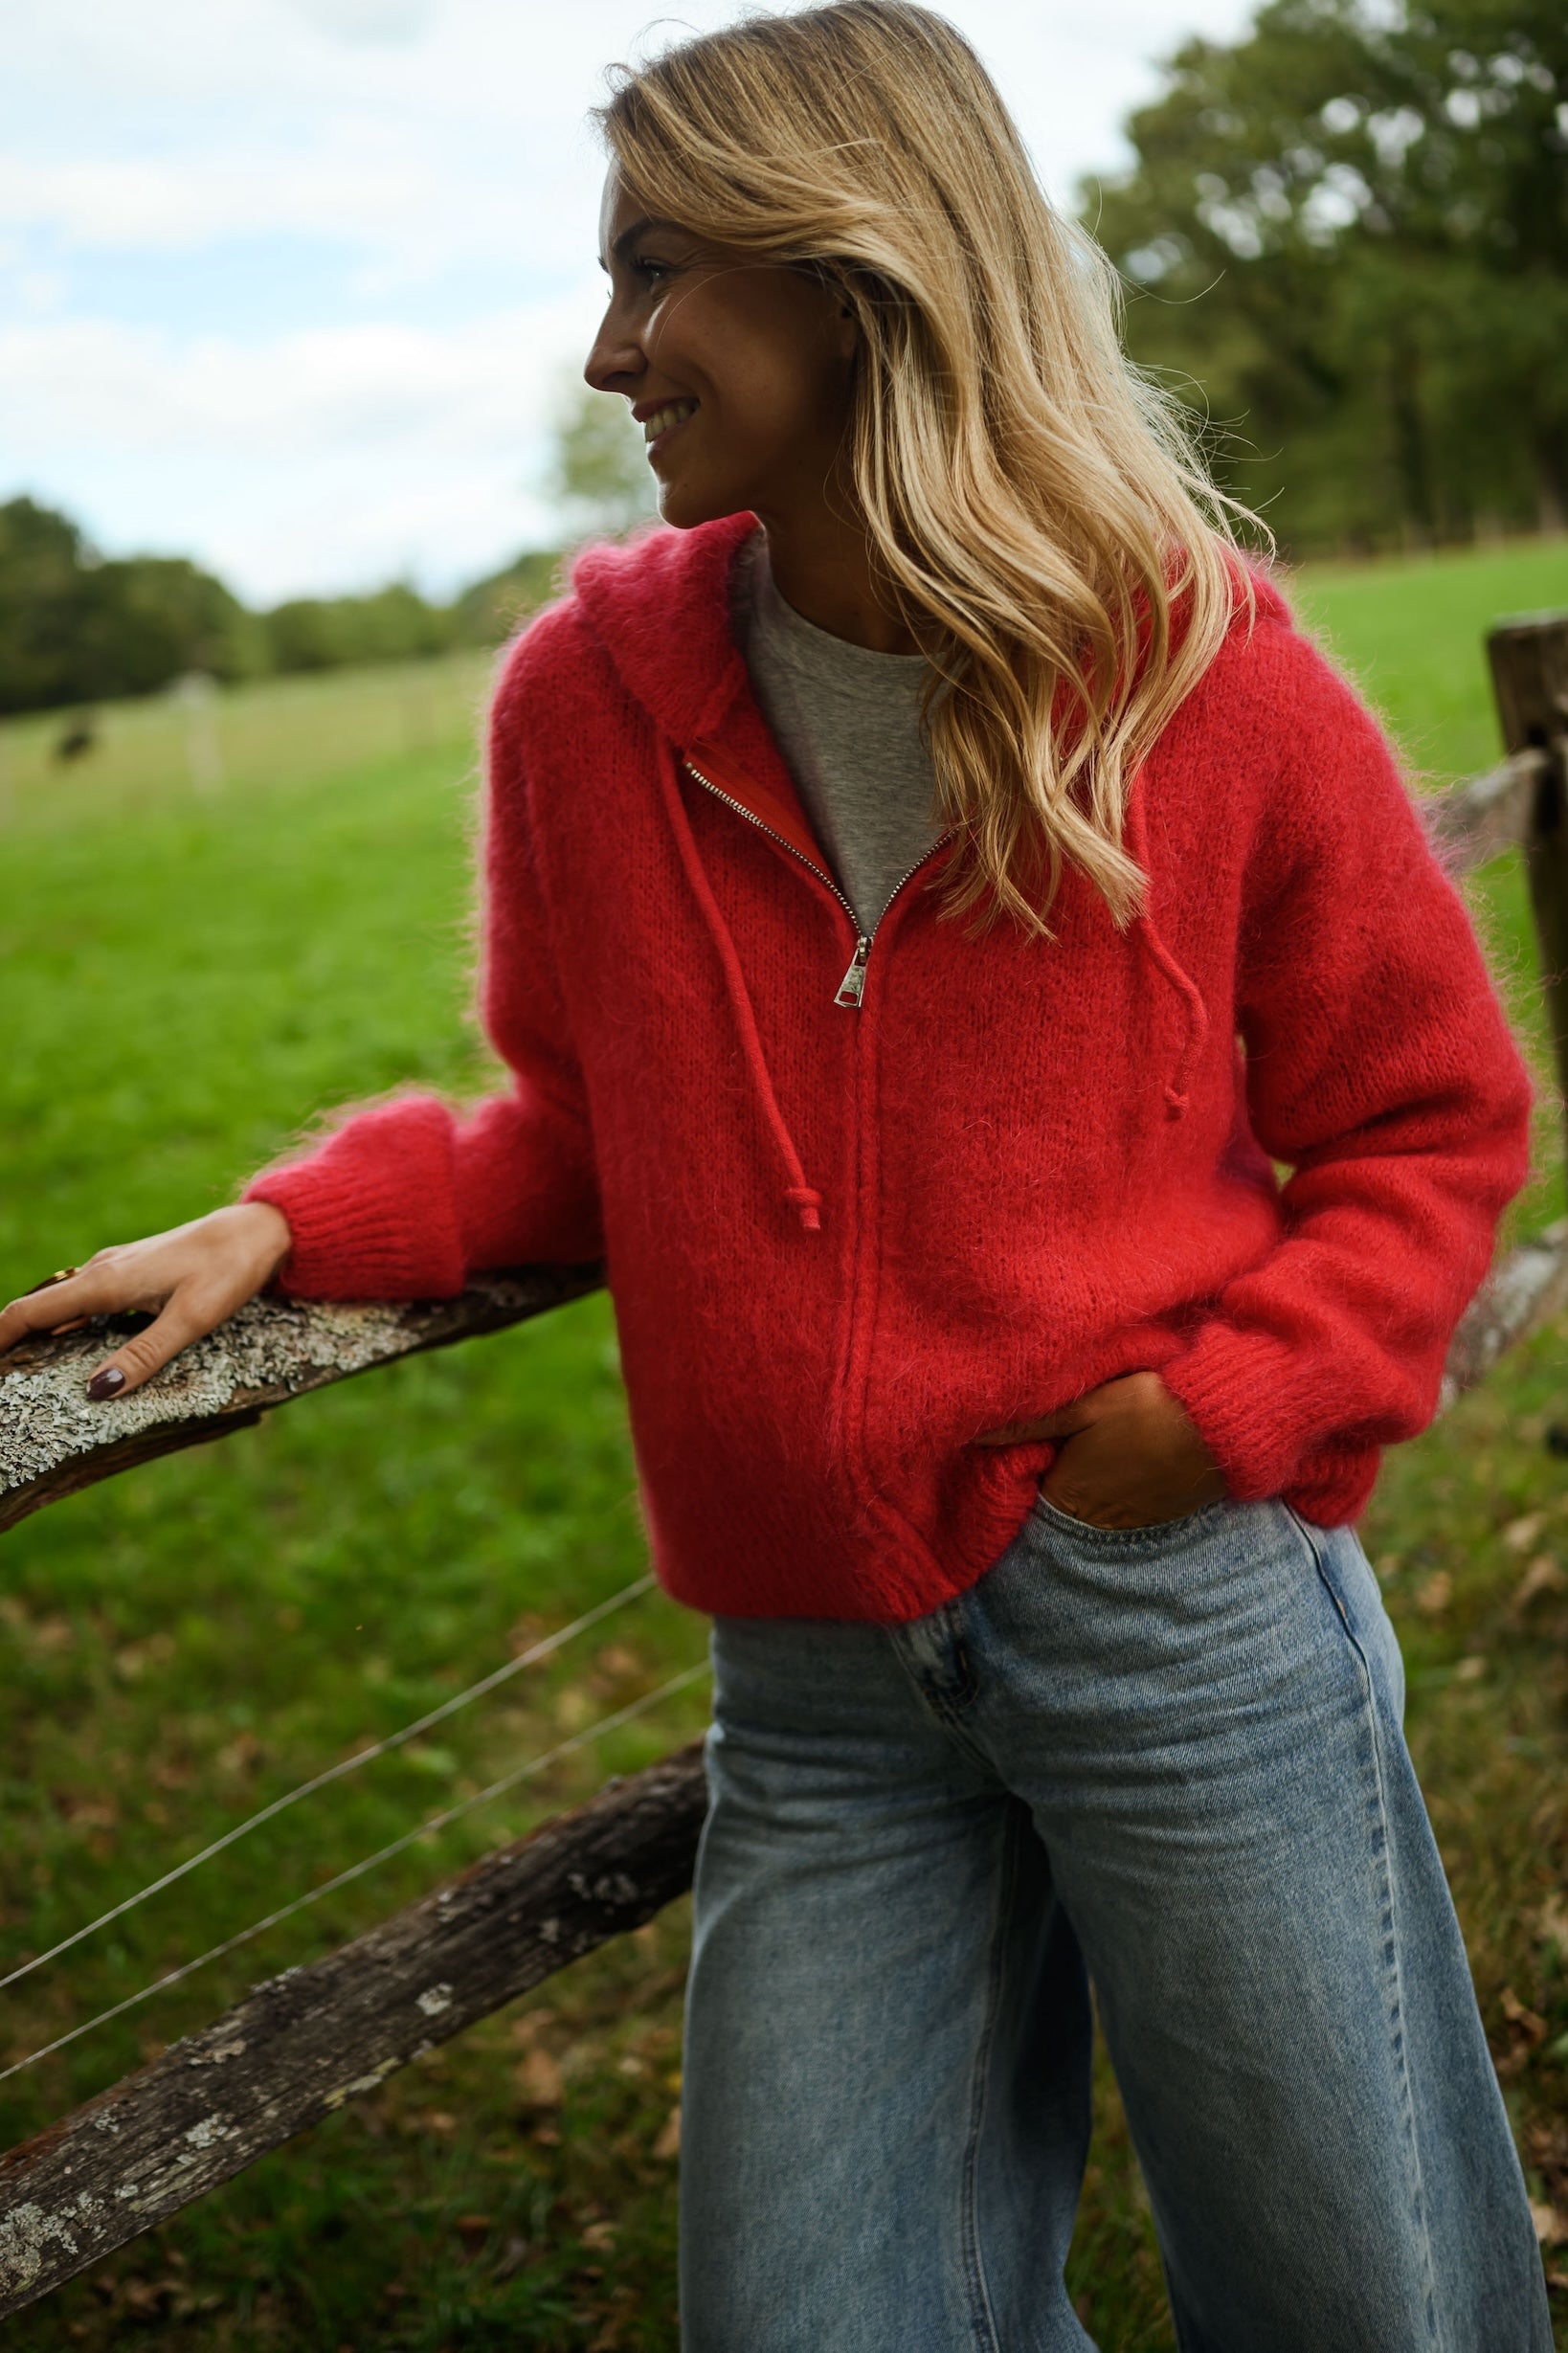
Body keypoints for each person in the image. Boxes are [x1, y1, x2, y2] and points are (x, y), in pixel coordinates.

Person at [0, 5, 1550, 2344]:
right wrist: (295, 1223)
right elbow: (585, 1132)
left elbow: (1434, 1116)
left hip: (1175, 1613)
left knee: (1356, 2286)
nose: (612, 346)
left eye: (657, 271)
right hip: (815, 1684)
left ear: (853, 272)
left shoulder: (1191, 676)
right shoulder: (579, 706)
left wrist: (1220, 1415)